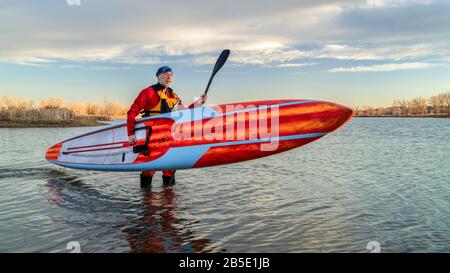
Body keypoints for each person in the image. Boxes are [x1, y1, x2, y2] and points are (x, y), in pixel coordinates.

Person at [127, 66, 206, 188]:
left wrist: (199, 102)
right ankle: (146, 202)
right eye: (165, 74)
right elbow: (131, 112)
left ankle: (168, 203)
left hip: (170, 139)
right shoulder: (148, 92)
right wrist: (131, 133)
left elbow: (186, 111)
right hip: (152, 139)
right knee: (149, 170)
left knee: (169, 170)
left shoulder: (173, 95)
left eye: (171, 74)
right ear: (158, 76)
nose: (169, 77)